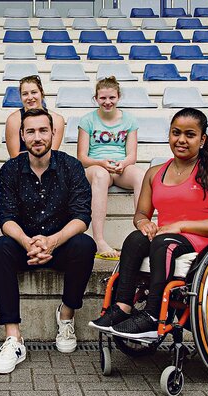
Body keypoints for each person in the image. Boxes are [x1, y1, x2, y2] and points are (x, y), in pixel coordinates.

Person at [89, 108, 208, 340]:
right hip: (167, 236)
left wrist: (181, 226)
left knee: (162, 244)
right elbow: (140, 213)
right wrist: (144, 223)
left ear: (202, 140)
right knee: (135, 239)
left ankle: (152, 316)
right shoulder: (155, 173)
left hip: (202, 239)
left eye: (190, 134)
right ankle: (122, 307)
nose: (181, 140)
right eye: (176, 133)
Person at [0, 108, 96, 374]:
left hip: (59, 245)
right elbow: (6, 218)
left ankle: (66, 316)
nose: (38, 137)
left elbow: (82, 216)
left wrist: (53, 241)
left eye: (43, 130)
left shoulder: (71, 166)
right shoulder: (10, 169)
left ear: (53, 133)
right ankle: (13, 337)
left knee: (85, 245)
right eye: (31, 132)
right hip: (24, 246)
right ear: (22, 136)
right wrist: (28, 242)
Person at [77, 76, 145, 261]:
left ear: (118, 97)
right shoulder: (87, 120)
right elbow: (82, 157)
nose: (107, 102)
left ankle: (143, 233)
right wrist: (100, 163)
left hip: (120, 167)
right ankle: (99, 240)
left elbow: (132, 154)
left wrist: (124, 164)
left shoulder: (129, 120)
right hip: (96, 167)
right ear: (96, 98)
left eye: (111, 98)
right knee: (100, 176)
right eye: (103, 98)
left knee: (141, 175)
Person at [4, 75, 65, 158]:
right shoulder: (13, 120)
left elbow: (51, 154)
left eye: (34, 92)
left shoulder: (57, 120)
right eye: (25, 94)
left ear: (42, 93)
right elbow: (14, 156)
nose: (30, 97)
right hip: (20, 167)